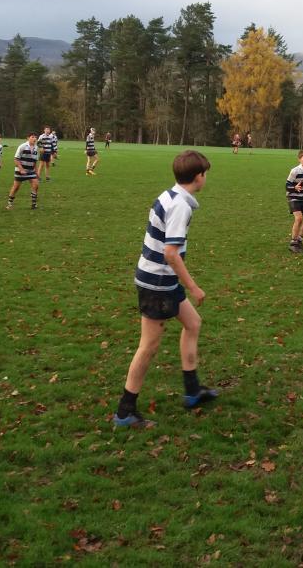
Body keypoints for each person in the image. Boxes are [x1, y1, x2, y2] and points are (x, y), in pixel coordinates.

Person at [113, 150, 216, 428]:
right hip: (157, 281)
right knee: (148, 345)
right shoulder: (180, 206)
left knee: (193, 323)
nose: (206, 178)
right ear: (198, 177)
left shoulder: (169, 195)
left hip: (162, 280)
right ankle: (125, 411)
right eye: (205, 174)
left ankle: (192, 390)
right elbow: (171, 253)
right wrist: (193, 286)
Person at [6, 133, 40, 210]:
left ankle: (33, 204)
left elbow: (35, 161)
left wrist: (37, 172)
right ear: (28, 138)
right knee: (16, 187)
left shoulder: (36, 148)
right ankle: (9, 204)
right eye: (32, 137)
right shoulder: (22, 146)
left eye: (35, 137)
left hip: (31, 171)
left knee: (36, 185)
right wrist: (21, 169)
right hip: (20, 170)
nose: (34, 139)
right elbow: (16, 159)